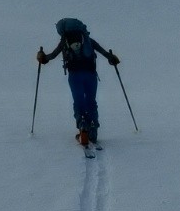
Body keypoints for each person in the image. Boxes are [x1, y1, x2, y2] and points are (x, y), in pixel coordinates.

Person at [37, 18, 120, 147]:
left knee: (78, 100)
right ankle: (93, 128)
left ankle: (82, 126)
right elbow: (104, 53)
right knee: (91, 100)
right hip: (90, 75)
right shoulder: (87, 40)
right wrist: (112, 58)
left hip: (75, 76)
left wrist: (42, 57)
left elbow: (50, 57)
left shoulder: (64, 41)